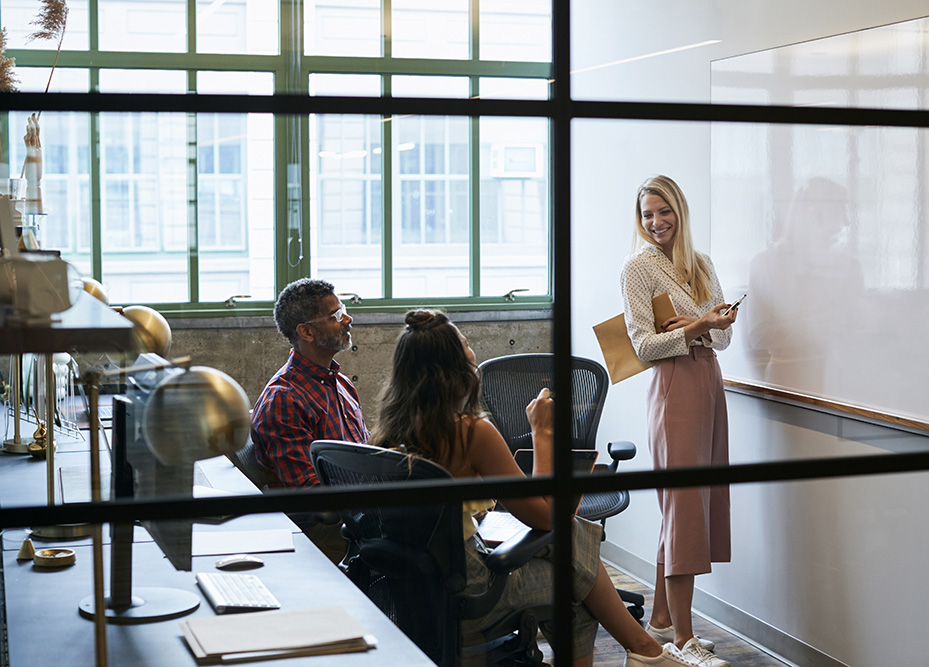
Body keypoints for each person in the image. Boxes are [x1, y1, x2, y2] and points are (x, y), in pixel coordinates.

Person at [370, 309, 697, 667]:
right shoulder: (470, 431)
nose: (472, 350)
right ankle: (647, 653)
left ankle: (647, 652)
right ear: (453, 365)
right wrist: (542, 431)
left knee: (572, 549)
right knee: (575, 578)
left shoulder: (388, 433)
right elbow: (545, 517)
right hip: (469, 588)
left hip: (413, 589)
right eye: (465, 344)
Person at [620, 176, 738, 667]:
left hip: (708, 382)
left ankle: (662, 622)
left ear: (679, 212)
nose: (656, 223)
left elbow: (725, 339)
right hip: (673, 387)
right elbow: (642, 345)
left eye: (663, 212)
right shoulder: (637, 268)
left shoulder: (700, 264)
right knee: (683, 508)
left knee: (690, 503)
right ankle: (686, 642)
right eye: (647, 215)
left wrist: (703, 329)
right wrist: (698, 327)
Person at [251, 278, 369, 559]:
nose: (347, 319)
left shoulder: (339, 382)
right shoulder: (285, 399)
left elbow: (362, 454)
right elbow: (315, 497)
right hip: (323, 531)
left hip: (360, 511)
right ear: (306, 331)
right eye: (336, 316)